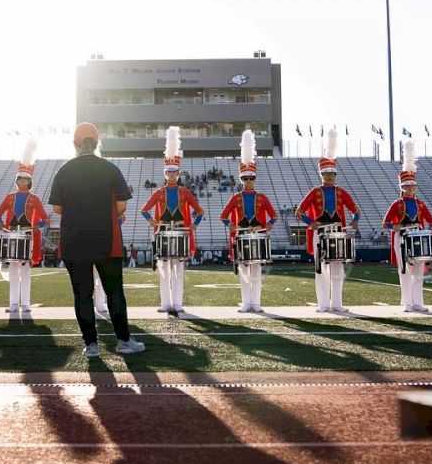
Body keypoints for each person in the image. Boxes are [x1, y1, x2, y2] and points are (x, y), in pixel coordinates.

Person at [49, 122, 145, 357]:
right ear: (97, 142)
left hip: (74, 240)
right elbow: (121, 205)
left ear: (75, 144)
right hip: (106, 239)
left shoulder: (64, 170)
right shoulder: (109, 168)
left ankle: (91, 345)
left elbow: (57, 208)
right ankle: (123, 341)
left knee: (82, 294)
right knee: (114, 292)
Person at [141, 126, 205, 315]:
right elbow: (144, 210)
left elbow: (200, 211)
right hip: (162, 234)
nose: (171, 175)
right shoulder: (158, 192)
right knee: (164, 269)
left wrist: (194, 225)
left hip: (180, 233)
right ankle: (165, 303)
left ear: (178, 174)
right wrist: (152, 221)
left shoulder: (185, 192)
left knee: (178, 269)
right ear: (165, 173)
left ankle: (177, 304)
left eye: (174, 173)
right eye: (168, 173)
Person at [297, 128, 360, 313]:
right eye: (326, 173)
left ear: (335, 174)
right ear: (321, 175)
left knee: (337, 269)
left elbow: (356, 210)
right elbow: (299, 212)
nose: (330, 176)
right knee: (321, 269)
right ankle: (323, 304)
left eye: (332, 173)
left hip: (338, 233)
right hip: (320, 233)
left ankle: (337, 304)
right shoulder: (315, 191)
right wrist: (311, 222)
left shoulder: (341, 192)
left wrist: (355, 220)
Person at [220, 129, 277, 313]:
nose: (248, 181)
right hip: (242, 236)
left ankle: (256, 303)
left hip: (259, 236)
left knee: (256, 272)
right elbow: (223, 215)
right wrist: (230, 225)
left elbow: (274, 215)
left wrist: (269, 225)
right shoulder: (236, 197)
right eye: (245, 178)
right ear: (241, 179)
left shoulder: (262, 196)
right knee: (244, 272)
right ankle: (246, 303)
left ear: (255, 178)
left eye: (251, 178)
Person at [0, 137, 49, 313]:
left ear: (29, 181)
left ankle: (25, 304)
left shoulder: (34, 198)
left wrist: (35, 227)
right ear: (17, 180)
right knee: (13, 271)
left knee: (25, 270)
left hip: (27, 236)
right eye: (20, 178)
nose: (22, 181)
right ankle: (13, 304)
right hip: (12, 236)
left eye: (26, 179)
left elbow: (45, 219)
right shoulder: (10, 197)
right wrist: (1, 225)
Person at [383, 140, 432, 312]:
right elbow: (385, 223)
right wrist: (395, 227)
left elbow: (431, 220)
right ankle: (406, 302)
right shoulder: (396, 204)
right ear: (403, 187)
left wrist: (431, 228)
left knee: (419, 272)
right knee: (404, 270)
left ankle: (418, 302)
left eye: (413, 185)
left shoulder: (421, 203)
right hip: (402, 237)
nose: (411, 188)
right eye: (408, 185)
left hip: (418, 237)